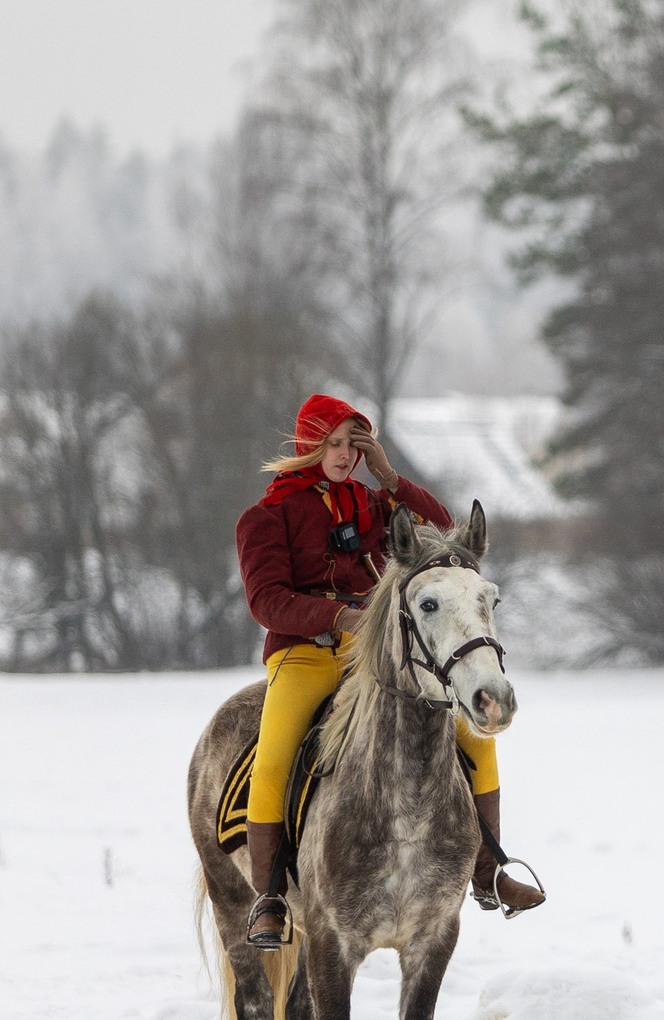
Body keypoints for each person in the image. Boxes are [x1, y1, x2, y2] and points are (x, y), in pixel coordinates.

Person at [233, 392, 544, 950]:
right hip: (304, 652)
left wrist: (388, 475)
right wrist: (338, 615)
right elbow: (266, 601)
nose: (345, 455)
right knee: (275, 752)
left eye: (354, 445)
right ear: (309, 444)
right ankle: (270, 897)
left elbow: (447, 531)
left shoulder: (373, 505)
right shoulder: (266, 516)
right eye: (334, 444)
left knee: (476, 738)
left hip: (373, 656)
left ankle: (487, 870)